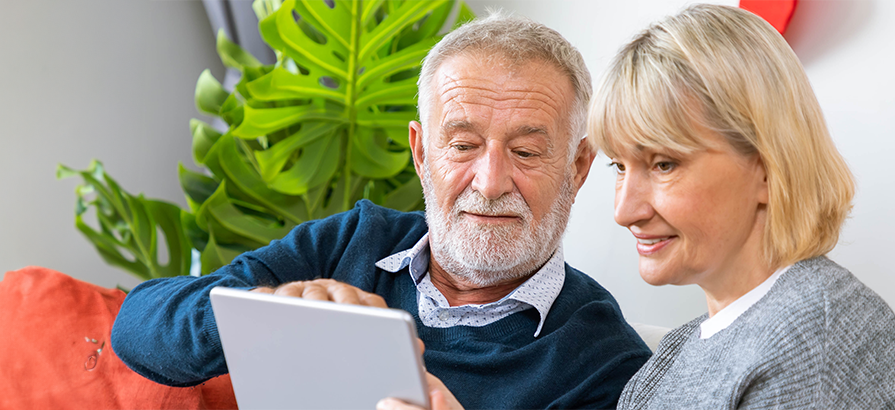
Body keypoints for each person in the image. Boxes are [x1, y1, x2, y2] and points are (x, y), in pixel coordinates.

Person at [111, 13, 652, 410]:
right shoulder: (353, 243)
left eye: (527, 152)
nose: (489, 184)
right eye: (462, 146)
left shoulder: (605, 364)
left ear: (578, 167)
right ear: (420, 153)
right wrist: (266, 310)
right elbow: (137, 326)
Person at [588, 5, 895, 409]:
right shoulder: (679, 351)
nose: (625, 211)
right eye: (619, 167)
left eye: (664, 164)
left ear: (768, 169)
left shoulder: (816, 340)